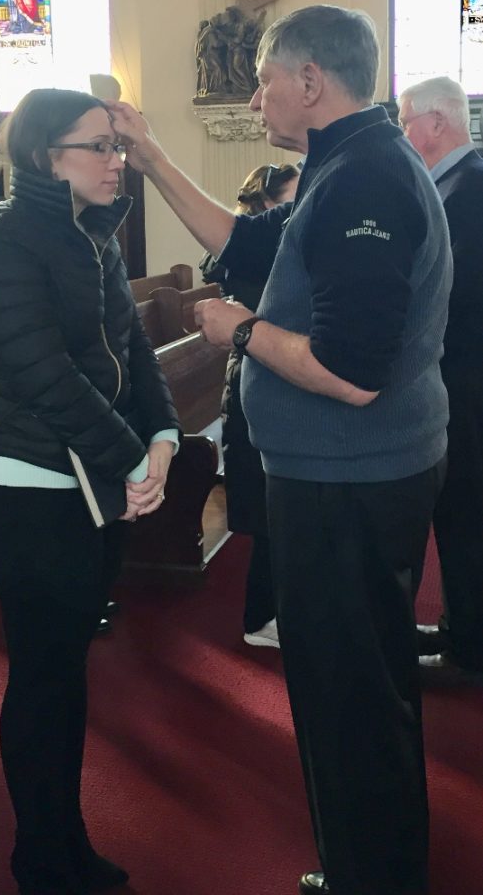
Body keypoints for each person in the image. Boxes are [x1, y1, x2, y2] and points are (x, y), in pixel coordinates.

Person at [108, 5, 452, 895]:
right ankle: (379, 862)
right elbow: (241, 241)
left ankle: (369, 875)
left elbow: (350, 372)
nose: (252, 97)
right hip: (354, 468)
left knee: (344, 688)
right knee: (360, 680)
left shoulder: (364, 181)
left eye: (262, 80)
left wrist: (242, 330)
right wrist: (148, 158)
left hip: (348, 473)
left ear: (309, 82)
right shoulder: (345, 163)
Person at [0, 87, 180, 895]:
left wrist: (161, 437)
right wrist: (130, 458)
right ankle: (43, 859)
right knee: (45, 679)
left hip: (88, 482)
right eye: (98, 146)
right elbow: (36, 368)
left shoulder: (93, 235)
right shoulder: (10, 234)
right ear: (44, 156)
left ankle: (63, 843)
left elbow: (135, 349)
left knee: (65, 677)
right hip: (30, 488)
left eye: (116, 147)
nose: (115, 161)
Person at [398, 75, 483, 683]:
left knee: (466, 515)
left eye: (405, 120)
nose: (403, 133)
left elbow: (460, 294)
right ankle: (460, 627)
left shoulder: (471, 187)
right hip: (458, 375)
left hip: (468, 380)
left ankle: (470, 652)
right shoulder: (451, 183)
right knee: (457, 513)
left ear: (435, 122)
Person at [200, 163, 300, 648]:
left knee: (279, 512)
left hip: (267, 381)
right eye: (291, 199)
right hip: (252, 384)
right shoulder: (253, 258)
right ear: (265, 205)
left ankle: (278, 610)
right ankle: (261, 618)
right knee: (265, 510)